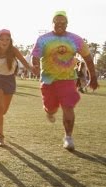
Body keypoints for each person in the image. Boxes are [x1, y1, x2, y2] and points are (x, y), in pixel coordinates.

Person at [31, 11, 99, 151]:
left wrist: (93, 76)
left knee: (68, 107)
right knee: (51, 108)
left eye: (63, 22)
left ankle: (68, 137)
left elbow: (87, 58)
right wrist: (36, 66)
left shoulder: (76, 39)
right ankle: (49, 111)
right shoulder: (43, 39)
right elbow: (35, 56)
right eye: (57, 22)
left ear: (67, 24)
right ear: (52, 23)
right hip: (48, 80)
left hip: (68, 79)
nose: (60, 25)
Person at [0, 29, 35, 147]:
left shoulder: (13, 50)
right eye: (2, 39)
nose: (5, 41)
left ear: (10, 40)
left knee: (3, 111)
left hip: (10, 80)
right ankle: (0, 136)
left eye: (7, 39)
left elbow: (25, 63)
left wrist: (33, 69)